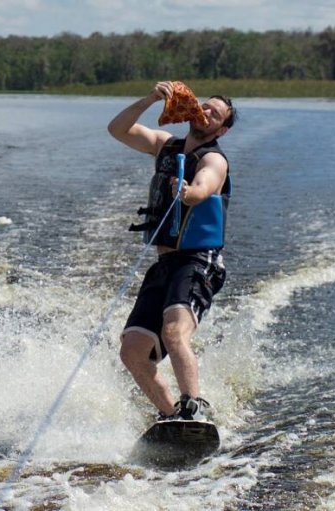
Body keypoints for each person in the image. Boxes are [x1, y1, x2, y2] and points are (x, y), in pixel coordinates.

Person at [108, 81, 236, 422]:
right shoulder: (166, 146)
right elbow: (117, 129)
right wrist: (151, 99)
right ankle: (171, 417)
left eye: (215, 114)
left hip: (199, 261)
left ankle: (194, 407)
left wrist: (188, 192)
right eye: (204, 105)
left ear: (221, 129)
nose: (205, 112)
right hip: (165, 263)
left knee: (174, 331)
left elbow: (205, 186)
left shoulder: (214, 159)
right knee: (132, 351)